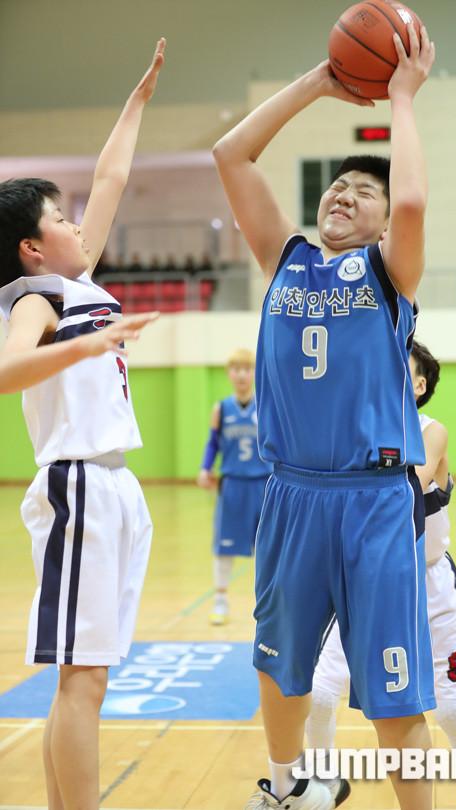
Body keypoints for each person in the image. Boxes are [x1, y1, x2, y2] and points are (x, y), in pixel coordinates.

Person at [214, 23, 436, 810]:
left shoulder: (389, 272)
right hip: (290, 493)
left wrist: (401, 97)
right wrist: (317, 82)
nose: (344, 194)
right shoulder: (288, 259)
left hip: (373, 500)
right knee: (279, 667)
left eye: (362, 191)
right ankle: (286, 789)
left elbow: (412, 198)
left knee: (396, 698)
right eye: (337, 185)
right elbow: (231, 155)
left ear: (381, 221)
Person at [0, 38, 165, 810]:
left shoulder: (79, 283)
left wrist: (137, 101)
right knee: (82, 680)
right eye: (61, 218)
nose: (78, 224)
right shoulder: (35, 299)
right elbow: (5, 373)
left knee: (84, 676)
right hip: (77, 486)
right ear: (33, 248)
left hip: (114, 487)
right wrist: (89, 346)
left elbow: (110, 177)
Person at [306, 340, 456, 810]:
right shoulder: (358, 431)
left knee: (450, 705)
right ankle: (324, 782)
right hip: (369, 583)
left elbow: (409, 485)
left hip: (429, 585)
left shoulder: (432, 431)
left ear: (420, 384)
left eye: (399, 366)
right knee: (321, 691)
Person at [197, 348, 272, 624]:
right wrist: (205, 468)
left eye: (247, 369)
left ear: (254, 373)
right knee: (224, 545)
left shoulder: (266, 406)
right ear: (229, 373)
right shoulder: (221, 408)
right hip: (232, 485)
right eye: (237, 369)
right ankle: (220, 601)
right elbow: (213, 443)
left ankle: (267, 602)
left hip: (263, 484)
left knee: (268, 546)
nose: (241, 375)